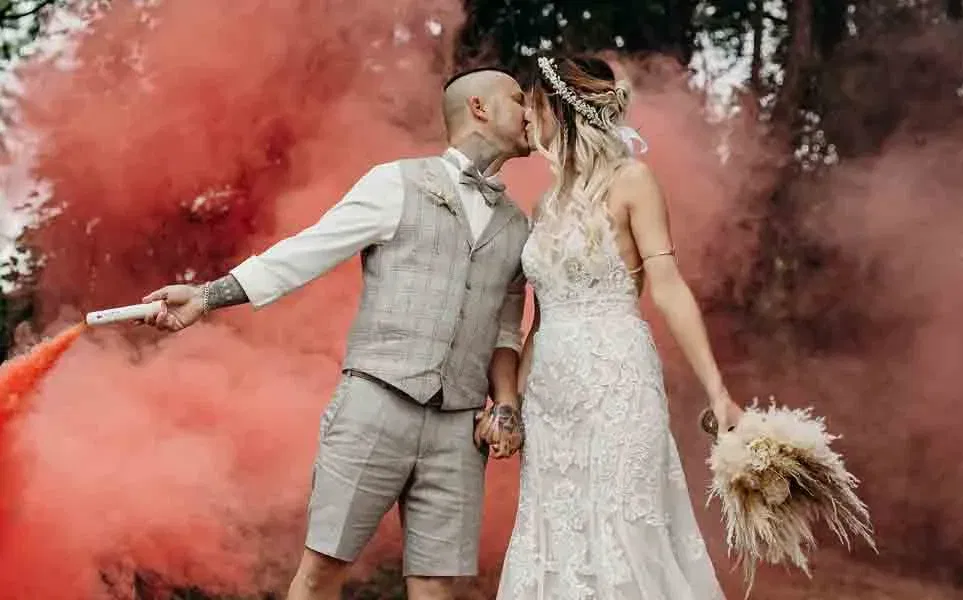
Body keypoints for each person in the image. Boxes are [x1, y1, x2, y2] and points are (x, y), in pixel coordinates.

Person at [140, 66, 533, 600]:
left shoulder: (518, 224)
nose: (532, 112)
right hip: (375, 404)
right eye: (519, 99)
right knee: (323, 572)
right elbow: (306, 251)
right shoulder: (396, 182)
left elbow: (507, 328)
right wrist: (206, 296)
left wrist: (505, 405)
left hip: (460, 428)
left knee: (441, 589)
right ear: (480, 109)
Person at [494, 54, 744, 599]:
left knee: (623, 527)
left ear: (560, 108)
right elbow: (539, 321)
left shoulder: (633, 181)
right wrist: (510, 405)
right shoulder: (543, 204)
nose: (526, 119)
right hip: (551, 396)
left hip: (617, 385)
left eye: (532, 105)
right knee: (555, 533)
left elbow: (670, 287)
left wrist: (718, 393)